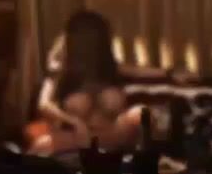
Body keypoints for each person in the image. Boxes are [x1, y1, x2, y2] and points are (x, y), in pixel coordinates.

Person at [28, 10, 192, 157]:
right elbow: (44, 105)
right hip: (77, 138)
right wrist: (74, 122)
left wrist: (171, 73)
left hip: (115, 136)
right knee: (42, 146)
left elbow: (145, 72)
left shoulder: (110, 68)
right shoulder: (61, 70)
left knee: (140, 113)